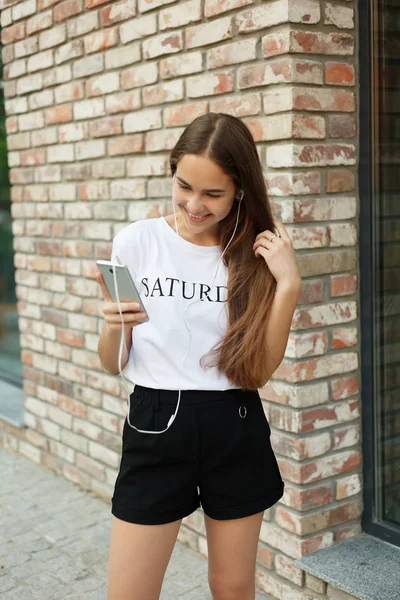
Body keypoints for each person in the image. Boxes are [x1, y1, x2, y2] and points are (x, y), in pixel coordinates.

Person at [96, 113, 302, 600]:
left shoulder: (255, 256)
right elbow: (113, 362)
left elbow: (260, 370)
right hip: (155, 420)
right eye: (184, 186)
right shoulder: (136, 242)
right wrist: (112, 327)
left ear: (240, 191)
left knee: (232, 589)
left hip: (234, 421)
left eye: (213, 194)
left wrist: (289, 285)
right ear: (172, 172)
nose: (193, 204)